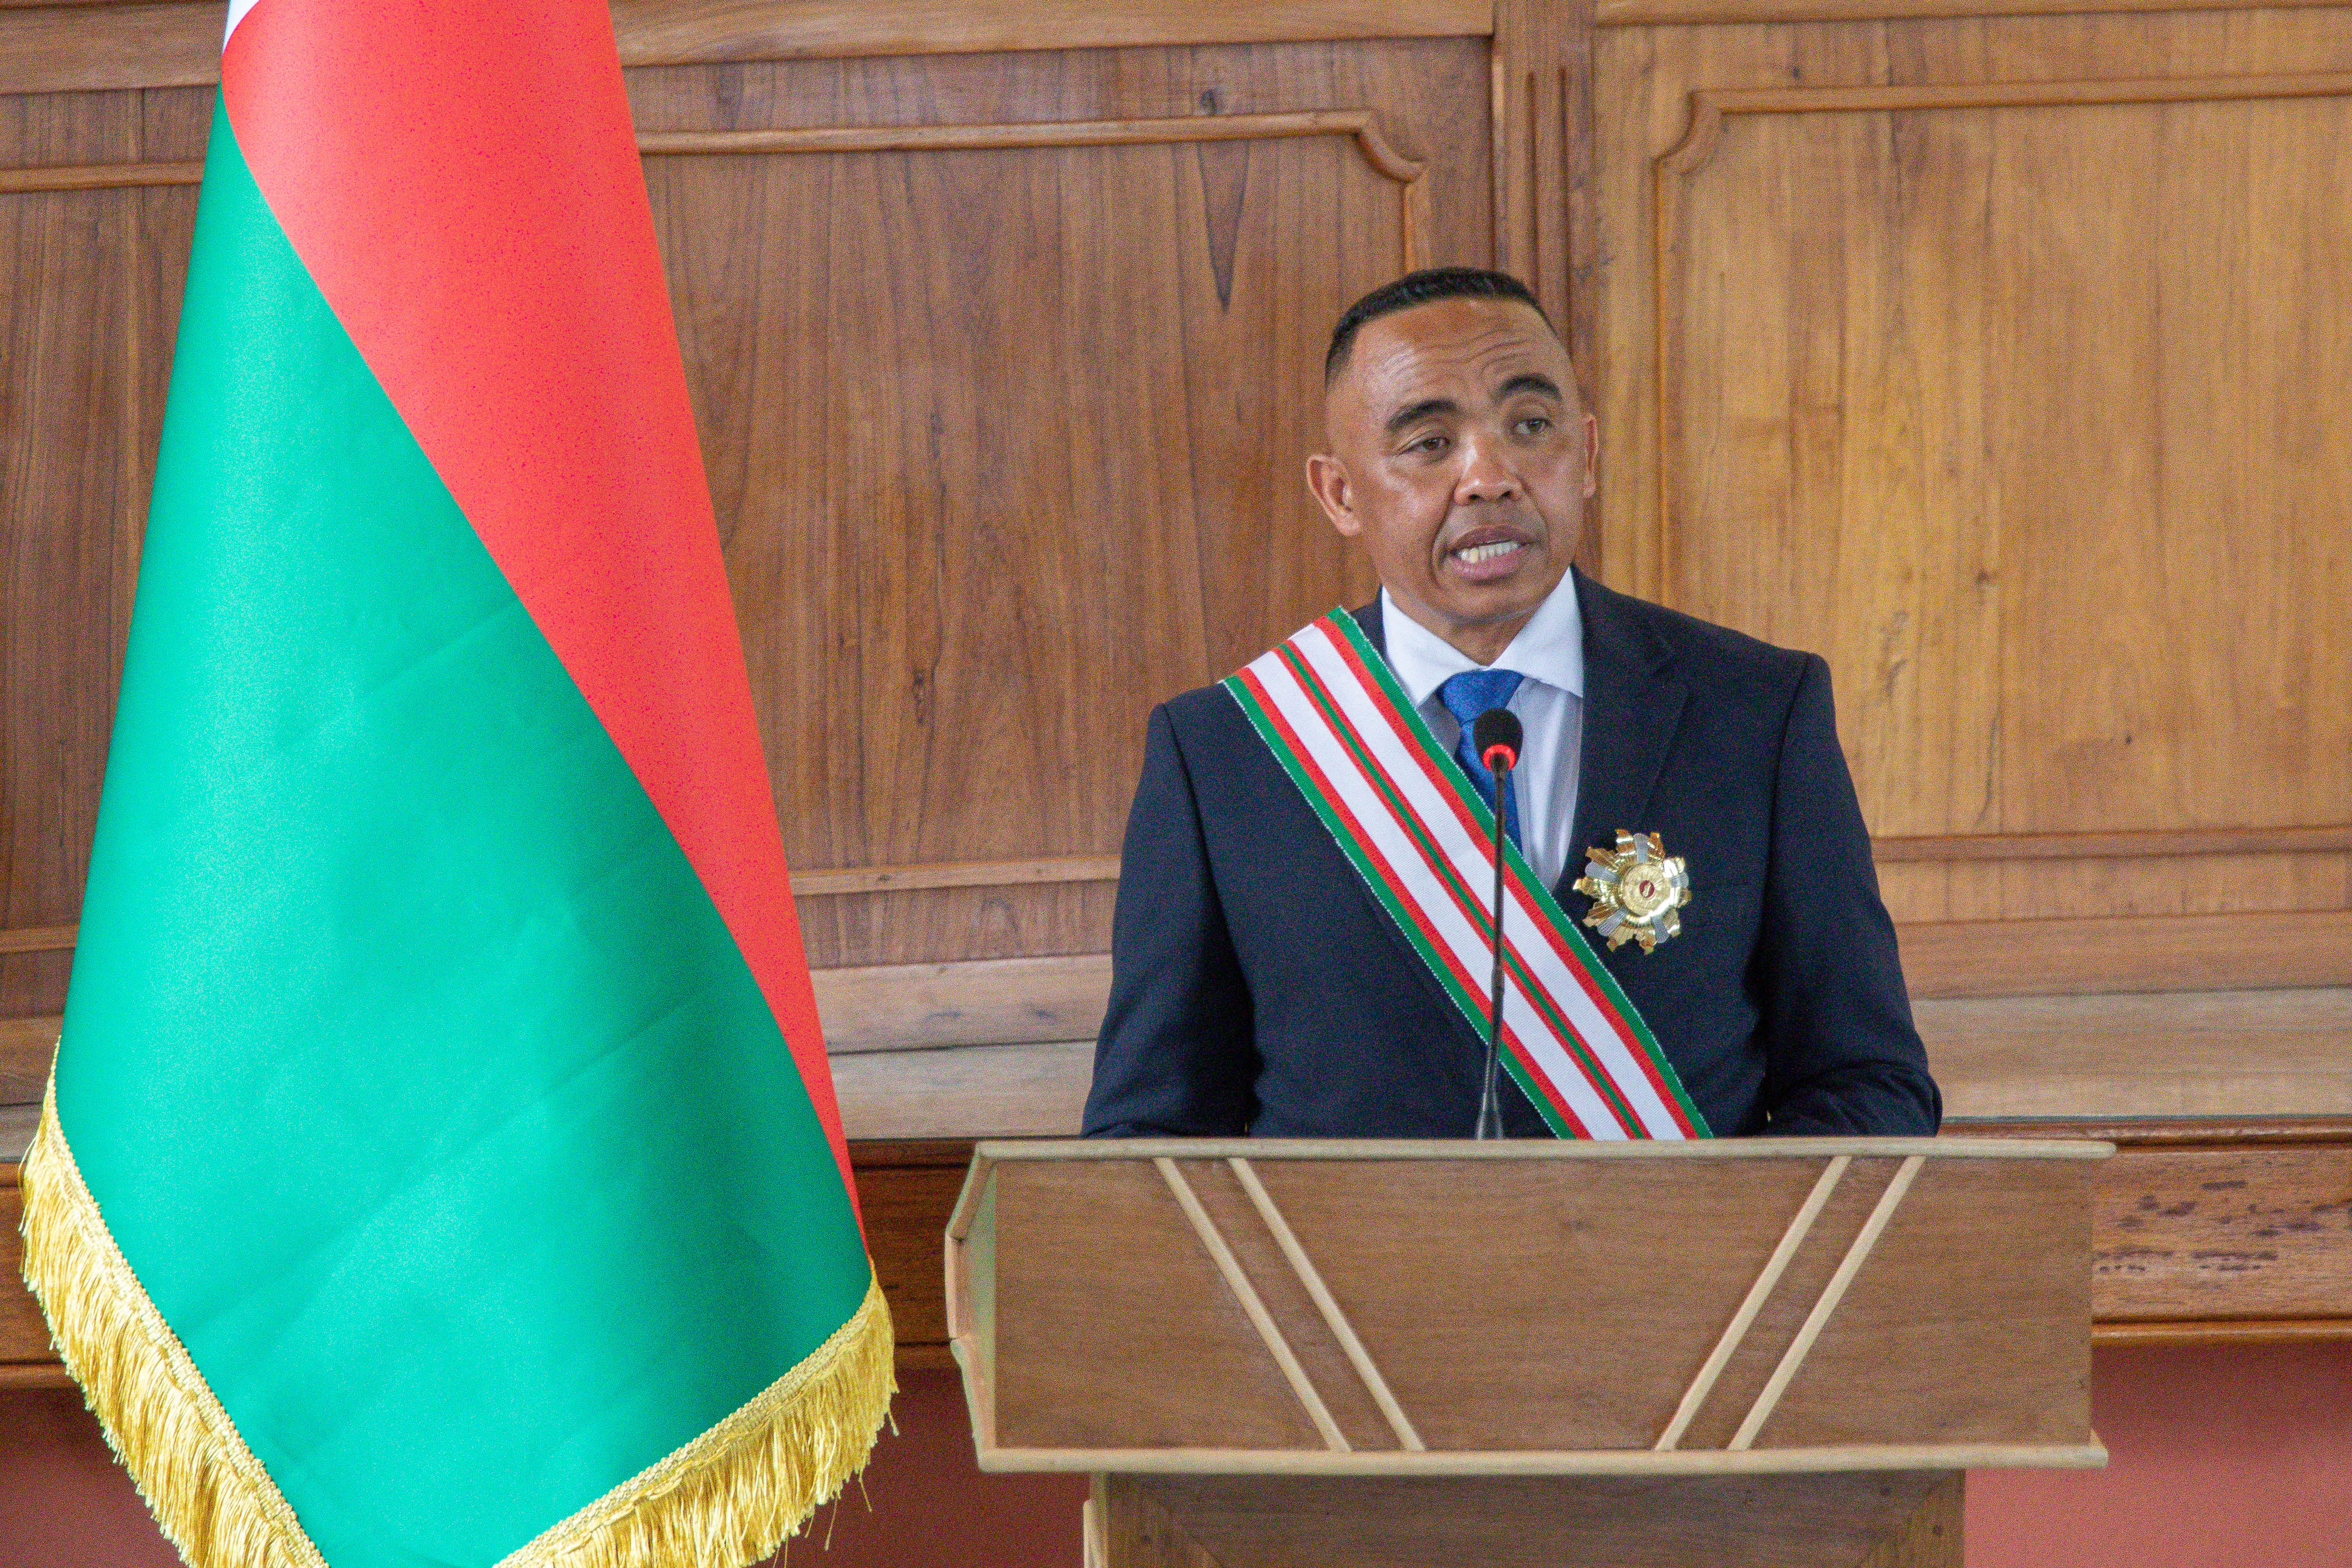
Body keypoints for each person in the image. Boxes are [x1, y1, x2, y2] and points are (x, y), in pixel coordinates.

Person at [1082, 267, 1939, 1139]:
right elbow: (1151, 1134)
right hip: (1348, 1277)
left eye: (1529, 427)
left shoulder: (1755, 711)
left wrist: (1721, 1260)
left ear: (1588, 455)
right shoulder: (1223, 754)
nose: (1488, 478)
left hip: (1686, 1274)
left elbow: (1866, 1082)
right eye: (1427, 444)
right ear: (1340, 493)